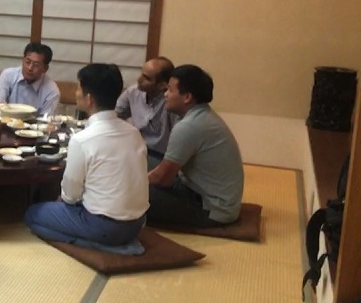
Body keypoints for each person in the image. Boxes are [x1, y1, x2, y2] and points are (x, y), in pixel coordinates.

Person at [24, 63, 149, 248]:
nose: (76, 93)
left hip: (104, 225)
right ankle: (109, 241)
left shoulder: (82, 139)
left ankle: (100, 246)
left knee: (32, 215)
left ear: (89, 99)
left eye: (78, 88)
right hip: (137, 224)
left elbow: (70, 196)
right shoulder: (134, 132)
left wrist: (62, 201)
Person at [147, 64, 244, 227]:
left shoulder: (190, 126)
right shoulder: (200, 115)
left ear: (187, 97)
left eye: (170, 90)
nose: (165, 94)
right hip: (197, 189)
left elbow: (163, 178)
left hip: (211, 208)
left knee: (128, 195)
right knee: (144, 159)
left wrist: (133, 183)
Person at [116, 57, 178, 166]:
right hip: (135, 148)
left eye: (146, 78)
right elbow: (115, 115)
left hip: (161, 156)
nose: (139, 79)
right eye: (141, 74)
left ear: (162, 85)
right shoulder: (133, 92)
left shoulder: (172, 101)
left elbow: (177, 142)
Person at [0, 41, 60, 116]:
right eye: (27, 62)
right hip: (5, 121)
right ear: (22, 60)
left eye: (36, 65)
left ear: (45, 68)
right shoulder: (8, 75)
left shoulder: (51, 90)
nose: (30, 68)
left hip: (36, 123)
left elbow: (46, 119)